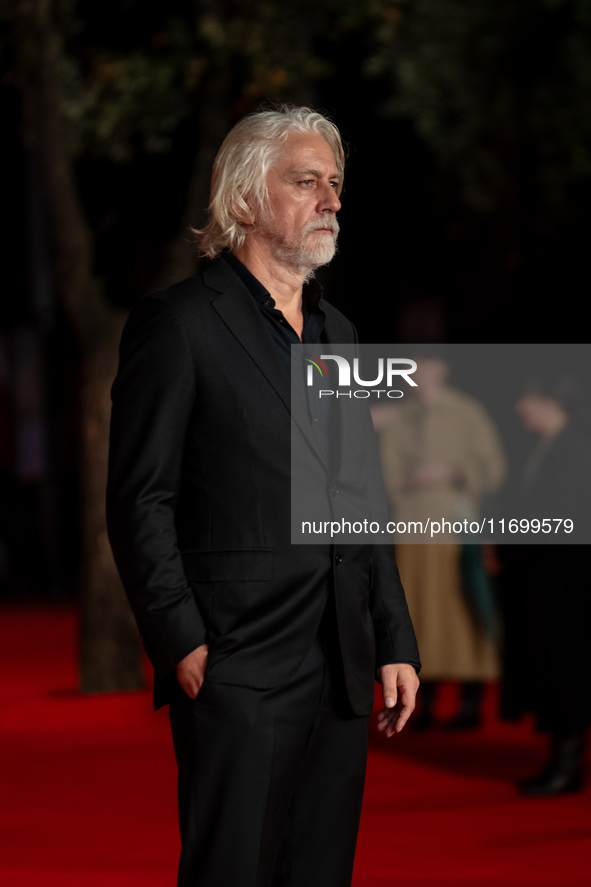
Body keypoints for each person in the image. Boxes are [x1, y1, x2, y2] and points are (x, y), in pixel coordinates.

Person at [106, 105, 420, 887]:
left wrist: (394, 637)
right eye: (306, 181)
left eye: (335, 185)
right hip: (237, 664)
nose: (330, 200)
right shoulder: (177, 324)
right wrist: (180, 640)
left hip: (341, 665)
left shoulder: (338, 333)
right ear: (245, 197)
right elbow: (139, 496)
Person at [377, 349, 505, 730]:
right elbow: (383, 471)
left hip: (453, 526)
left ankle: (470, 701)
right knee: (417, 611)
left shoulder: (467, 412)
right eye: (411, 367)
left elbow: (493, 468)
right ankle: (423, 701)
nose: (418, 374)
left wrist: (450, 472)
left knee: (460, 609)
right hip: (411, 527)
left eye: (426, 365)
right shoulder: (400, 416)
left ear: (443, 369)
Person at [499, 376, 591, 796]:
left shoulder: (574, 449)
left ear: (548, 403)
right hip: (542, 577)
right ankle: (561, 759)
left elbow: (562, 519)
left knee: (565, 670)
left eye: (526, 398)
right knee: (553, 668)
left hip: (564, 581)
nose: (521, 408)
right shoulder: (543, 446)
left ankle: (568, 766)